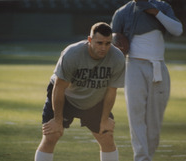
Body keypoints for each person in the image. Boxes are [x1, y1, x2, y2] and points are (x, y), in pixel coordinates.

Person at [34, 22, 125, 161]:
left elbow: (111, 91)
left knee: (106, 136)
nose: (104, 48)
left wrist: (105, 119)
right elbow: (59, 87)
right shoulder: (72, 54)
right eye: (99, 43)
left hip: (94, 99)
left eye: (108, 43)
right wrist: (57, 120)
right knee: (52, 135)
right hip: (66, 97)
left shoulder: (117, 57)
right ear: (89, 40)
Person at [111, 0, 183, 161]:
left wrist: (156, 12)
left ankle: (147, 155)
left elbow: (177, 30)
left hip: (158, 66)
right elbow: (114, 41)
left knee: (154, 120)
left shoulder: (162, 7)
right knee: (136, 115)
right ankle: (141, 158)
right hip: (134, 65)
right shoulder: (122, 12)